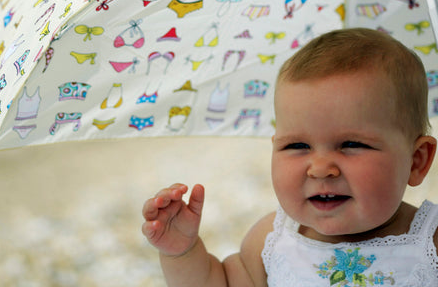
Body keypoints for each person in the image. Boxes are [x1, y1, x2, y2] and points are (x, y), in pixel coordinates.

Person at [142, 28, 438, 286]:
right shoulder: (273, 241)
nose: (321, 169)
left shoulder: (430, 244)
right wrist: (183, 252)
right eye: (297, 146)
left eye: (350, 144)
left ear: (416, 161)